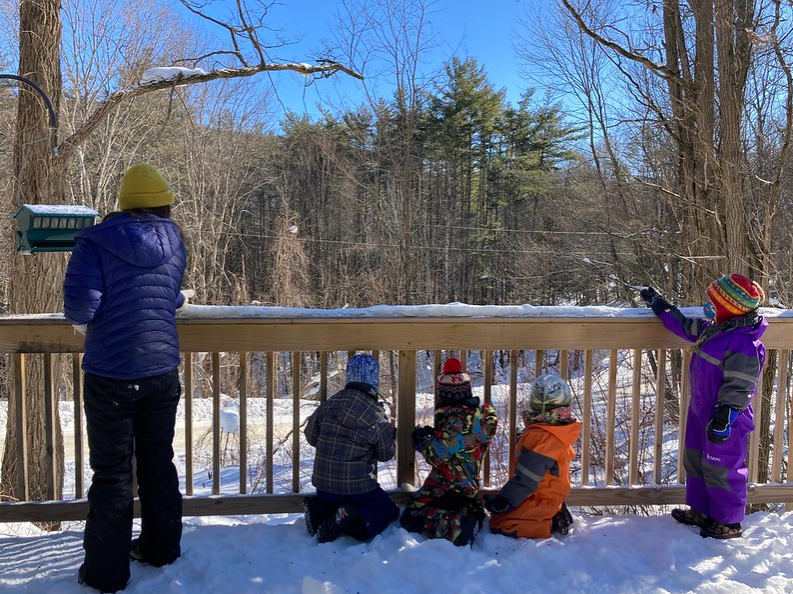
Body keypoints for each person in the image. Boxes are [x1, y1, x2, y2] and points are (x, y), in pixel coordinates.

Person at [64, 163, 187, 592]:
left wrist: (87, 322)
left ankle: (106, 572)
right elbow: (170, 297)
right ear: (163, 202)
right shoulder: (174, 240)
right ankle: (161, 547)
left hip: (112, 373)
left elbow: (81, 308)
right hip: (161, 370)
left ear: (124, 203)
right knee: (157, 460)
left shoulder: (94, 243)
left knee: (112, 472)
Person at [640, 274, 767, 539]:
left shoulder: (744, 342)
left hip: (725, 417)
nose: (708, 305)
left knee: (723, 467)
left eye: (713, 302)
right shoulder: (715, 329)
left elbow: (741, 385)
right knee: (696, 460)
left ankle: (728, 521)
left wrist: (725, 415)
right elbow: (684, 325)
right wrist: (659, 305)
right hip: (701, 410)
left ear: (728, 308)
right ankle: (701, 510)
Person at [400, 358, 497, 547]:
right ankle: (471, 513)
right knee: (458, 502)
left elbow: (435, 455)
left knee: (410, 516)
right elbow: (455, 445)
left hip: (447, 487)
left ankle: (457, 528)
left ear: (444, 395)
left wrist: (422, 441)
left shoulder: (454, 422)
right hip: (468, 488)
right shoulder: (478, 418)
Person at [303, 353, 399, 543]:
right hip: (358, 489)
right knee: (388, 510)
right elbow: (385, 455)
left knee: (334, 501)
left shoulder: (328, 405)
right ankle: (356, 521)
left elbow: (311, 437)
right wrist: (391, 435)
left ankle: (319, 512)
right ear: (374, 381)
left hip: (324, 485)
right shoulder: (377, 415)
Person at [485, 374, 581, 539]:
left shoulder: (544, 437)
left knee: (502, 526)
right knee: (502, 518)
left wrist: (505, 501)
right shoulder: (555, 430)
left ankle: (551, 521)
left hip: (540, 499)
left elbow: (527, 479)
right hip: (545, 495)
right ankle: (553, 512)